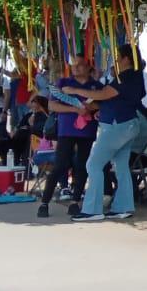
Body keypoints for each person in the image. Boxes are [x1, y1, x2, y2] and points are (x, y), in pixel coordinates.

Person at [63, 48, 147, 221]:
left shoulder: (127, 76)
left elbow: (103, 94)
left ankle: (92, 209)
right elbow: (116, 99)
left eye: (117, 57)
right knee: (121, 166)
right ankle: (123, 207)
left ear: (126, 59)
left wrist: (75, 90)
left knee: (93, 164)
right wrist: (99, 108)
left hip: (117, 126)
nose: (115, 61)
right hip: (127, 123)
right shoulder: (136, 76)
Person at [38, 58, 101, 217]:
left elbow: (102, 104)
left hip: (87, 130)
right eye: (73, 65)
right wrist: (75, 109)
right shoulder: (63, 83)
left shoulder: (96, 86)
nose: (76, 68)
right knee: (60, 165)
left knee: (82, 165)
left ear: (88, 66)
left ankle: (75, 201)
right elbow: (52, 105)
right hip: (66, 130)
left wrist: (90, 107)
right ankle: (44, 202)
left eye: (80, 65)